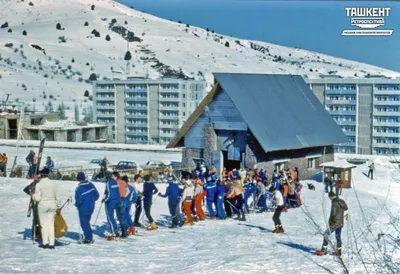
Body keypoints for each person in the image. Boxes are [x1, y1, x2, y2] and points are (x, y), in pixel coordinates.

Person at [32, 169, 60, 249]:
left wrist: (33, 195)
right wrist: (58, 205)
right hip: (52, 204)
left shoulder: (39, 184)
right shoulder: (53, 183)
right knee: (51, 224)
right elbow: (57, 196)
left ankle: (45, 243)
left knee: (44, 225)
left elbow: (37, 198)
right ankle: (52, 243)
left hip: (43, 204)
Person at [316, 192, 348, 256]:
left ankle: (323, 250)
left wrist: (330, 221)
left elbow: (333, 212)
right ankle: (339, 252)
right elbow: (346, 208)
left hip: (335, 222)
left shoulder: (334, 202)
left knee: (326, 234)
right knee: (338, 236)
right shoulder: (341, 200)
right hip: (340, 223)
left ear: (330, 197)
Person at [75, 172, 99, 244]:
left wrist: (77, 204)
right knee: (87, 222)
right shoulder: (91, 184)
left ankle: (88, 238)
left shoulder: (79, 188)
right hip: (91, 207)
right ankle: (88, 235)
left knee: (84, 223)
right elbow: (97, 195)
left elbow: (78, 200)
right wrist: (91, 201)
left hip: (83, 208)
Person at [102, 171, 121, 238]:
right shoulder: (115, 181)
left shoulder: (108, 182)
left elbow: (110, 193)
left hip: (110, 202)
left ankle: (114, 232)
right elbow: (117, 191)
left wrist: (105, 199)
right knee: (112, 217)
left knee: (109, 217)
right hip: (116, 200)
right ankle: (116, 230)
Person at [114, 172, 129, 237]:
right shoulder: (123, 182)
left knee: (120, 216)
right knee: (122, 216)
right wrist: (124, 195)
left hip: (118, 199)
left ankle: (124, 231)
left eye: (113, 176)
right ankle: (125, 229)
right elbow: (128, 190)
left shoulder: (115, 182)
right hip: (123, 198)